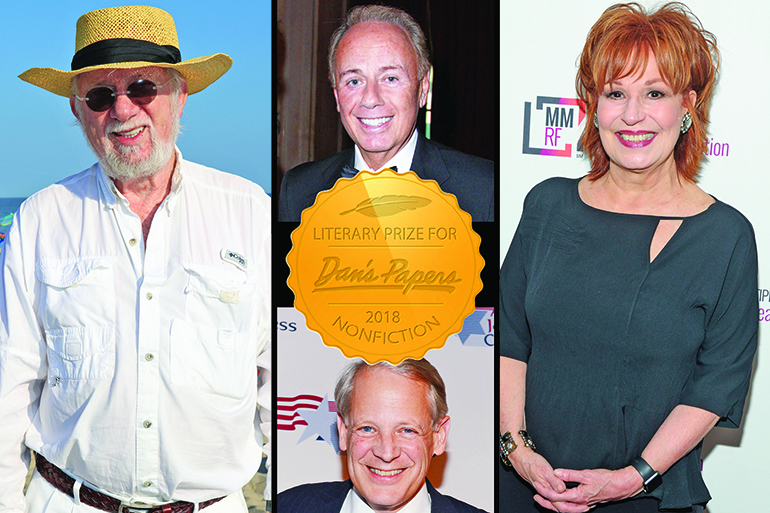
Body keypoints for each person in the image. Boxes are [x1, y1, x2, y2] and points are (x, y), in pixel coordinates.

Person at [0, 6, 270, 513]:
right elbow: (7, 388)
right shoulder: (40, 219)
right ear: (78, 111)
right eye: (100, 96)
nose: (123, 110)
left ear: (180, 96)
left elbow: (279, 381)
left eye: (143, 88)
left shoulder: (251, 212)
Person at [499, 3, 757, 513]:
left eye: (655, 93)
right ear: (593, 106)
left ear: (688, 105)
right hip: (525, 489)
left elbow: (717, 383)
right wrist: (516, 450)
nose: (632, 114)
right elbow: (509, 339)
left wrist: (632, 478)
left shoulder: (726, 236)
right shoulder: (547, 205)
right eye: (616, 93)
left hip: (648, 497)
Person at [278, 5, 494, 222]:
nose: (370, 99)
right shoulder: (298, 191)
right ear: (337, 96)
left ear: (423, 88)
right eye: (354, 81)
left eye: (390, 78)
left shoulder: (484, 190)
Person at [278, 359, 486, 513]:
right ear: (343, 431)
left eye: (407, 430)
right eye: (368, 428)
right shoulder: (287, 506)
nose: (386, 453)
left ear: (439, 436)